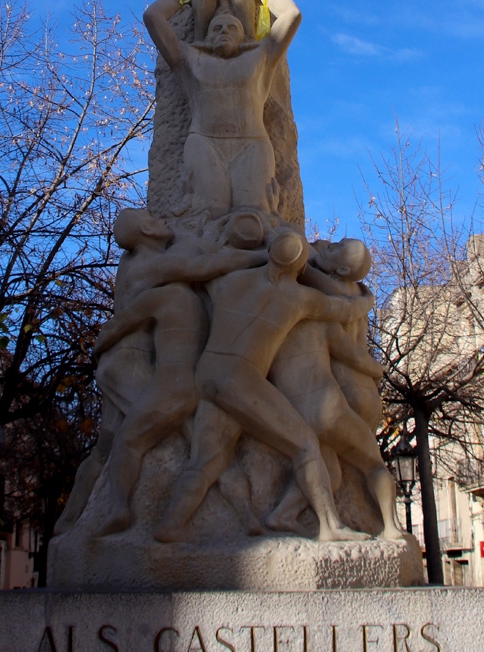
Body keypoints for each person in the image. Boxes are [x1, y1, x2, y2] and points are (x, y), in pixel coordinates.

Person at [53, 208, 265, 535]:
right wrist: (265, 257)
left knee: (107, 444)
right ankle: (117, 511)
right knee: (170, 440)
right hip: (134, 363)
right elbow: (205, 266)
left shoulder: (129, 263)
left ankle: (71, 520)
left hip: (118, 362)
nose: (163, 221)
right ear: (148, 233)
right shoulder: (155, 271)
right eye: (154, 220)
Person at [155, 231, 370, 543]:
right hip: (240, 379)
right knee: (306, 446)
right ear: (300, 269)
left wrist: (252, 255)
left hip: (208, 375)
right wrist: (367, 298)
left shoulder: (231, 281)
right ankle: (329, 526)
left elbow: (196, 271)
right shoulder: (298, 297)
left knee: (206, 460)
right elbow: (346, 309)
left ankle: (171, 524)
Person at [266, 239, 404, 539]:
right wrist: (377, 371)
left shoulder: (325, 304)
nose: (326, 246)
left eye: (334, 248)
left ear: (341, 268)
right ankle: (285, 513)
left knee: (366, 463)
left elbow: (301, 261)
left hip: (344, 392)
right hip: (359, 389)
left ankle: (389, 528)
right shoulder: (351, 294)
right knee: (333, 467)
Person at [143, 0, 300, 219]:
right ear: (207, 36)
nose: (224, 31)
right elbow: (153, 16)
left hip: (252, 144)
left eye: (231, 27)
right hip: (205, 143)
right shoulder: (189, 58)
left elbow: (292, 14)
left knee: (254, 217)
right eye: (217, 28)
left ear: (243, 36)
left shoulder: (261, 56)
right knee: (204, 214)